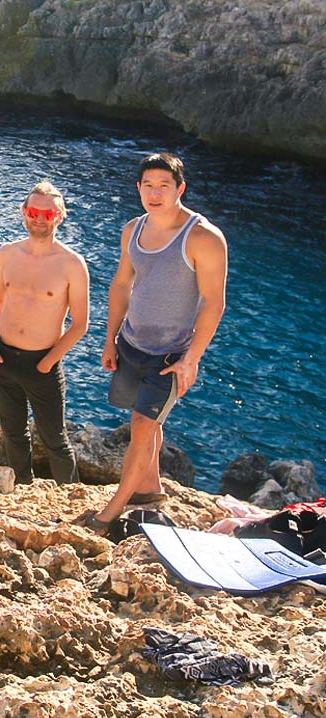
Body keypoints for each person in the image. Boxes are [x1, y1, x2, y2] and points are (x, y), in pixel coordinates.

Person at [83, 153, 227, 530]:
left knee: (144, 427)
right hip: (131, 345)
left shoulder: (204, 238)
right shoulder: (132, 229)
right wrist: (110, 339)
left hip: (170, 355)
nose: (155, 193)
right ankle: (150, 488)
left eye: (164, 185)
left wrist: (191, 358)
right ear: (138, 188)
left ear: (180, 188)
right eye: (148, 185)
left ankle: (113, 508)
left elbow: (214, 302)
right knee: (141, 421)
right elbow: (120, 284)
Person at [0, 181, 89, 485]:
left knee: (55, 439)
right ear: (23, 213)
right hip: (2, 355)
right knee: (13, 432)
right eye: (33, 211)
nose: (39, 218)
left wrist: (48, 361)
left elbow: (80, 323)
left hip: (43, 362)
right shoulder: (7, 253)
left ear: (60, 216)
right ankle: (23, 490)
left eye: (47, 213)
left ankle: (71, 498)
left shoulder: (72, 264)